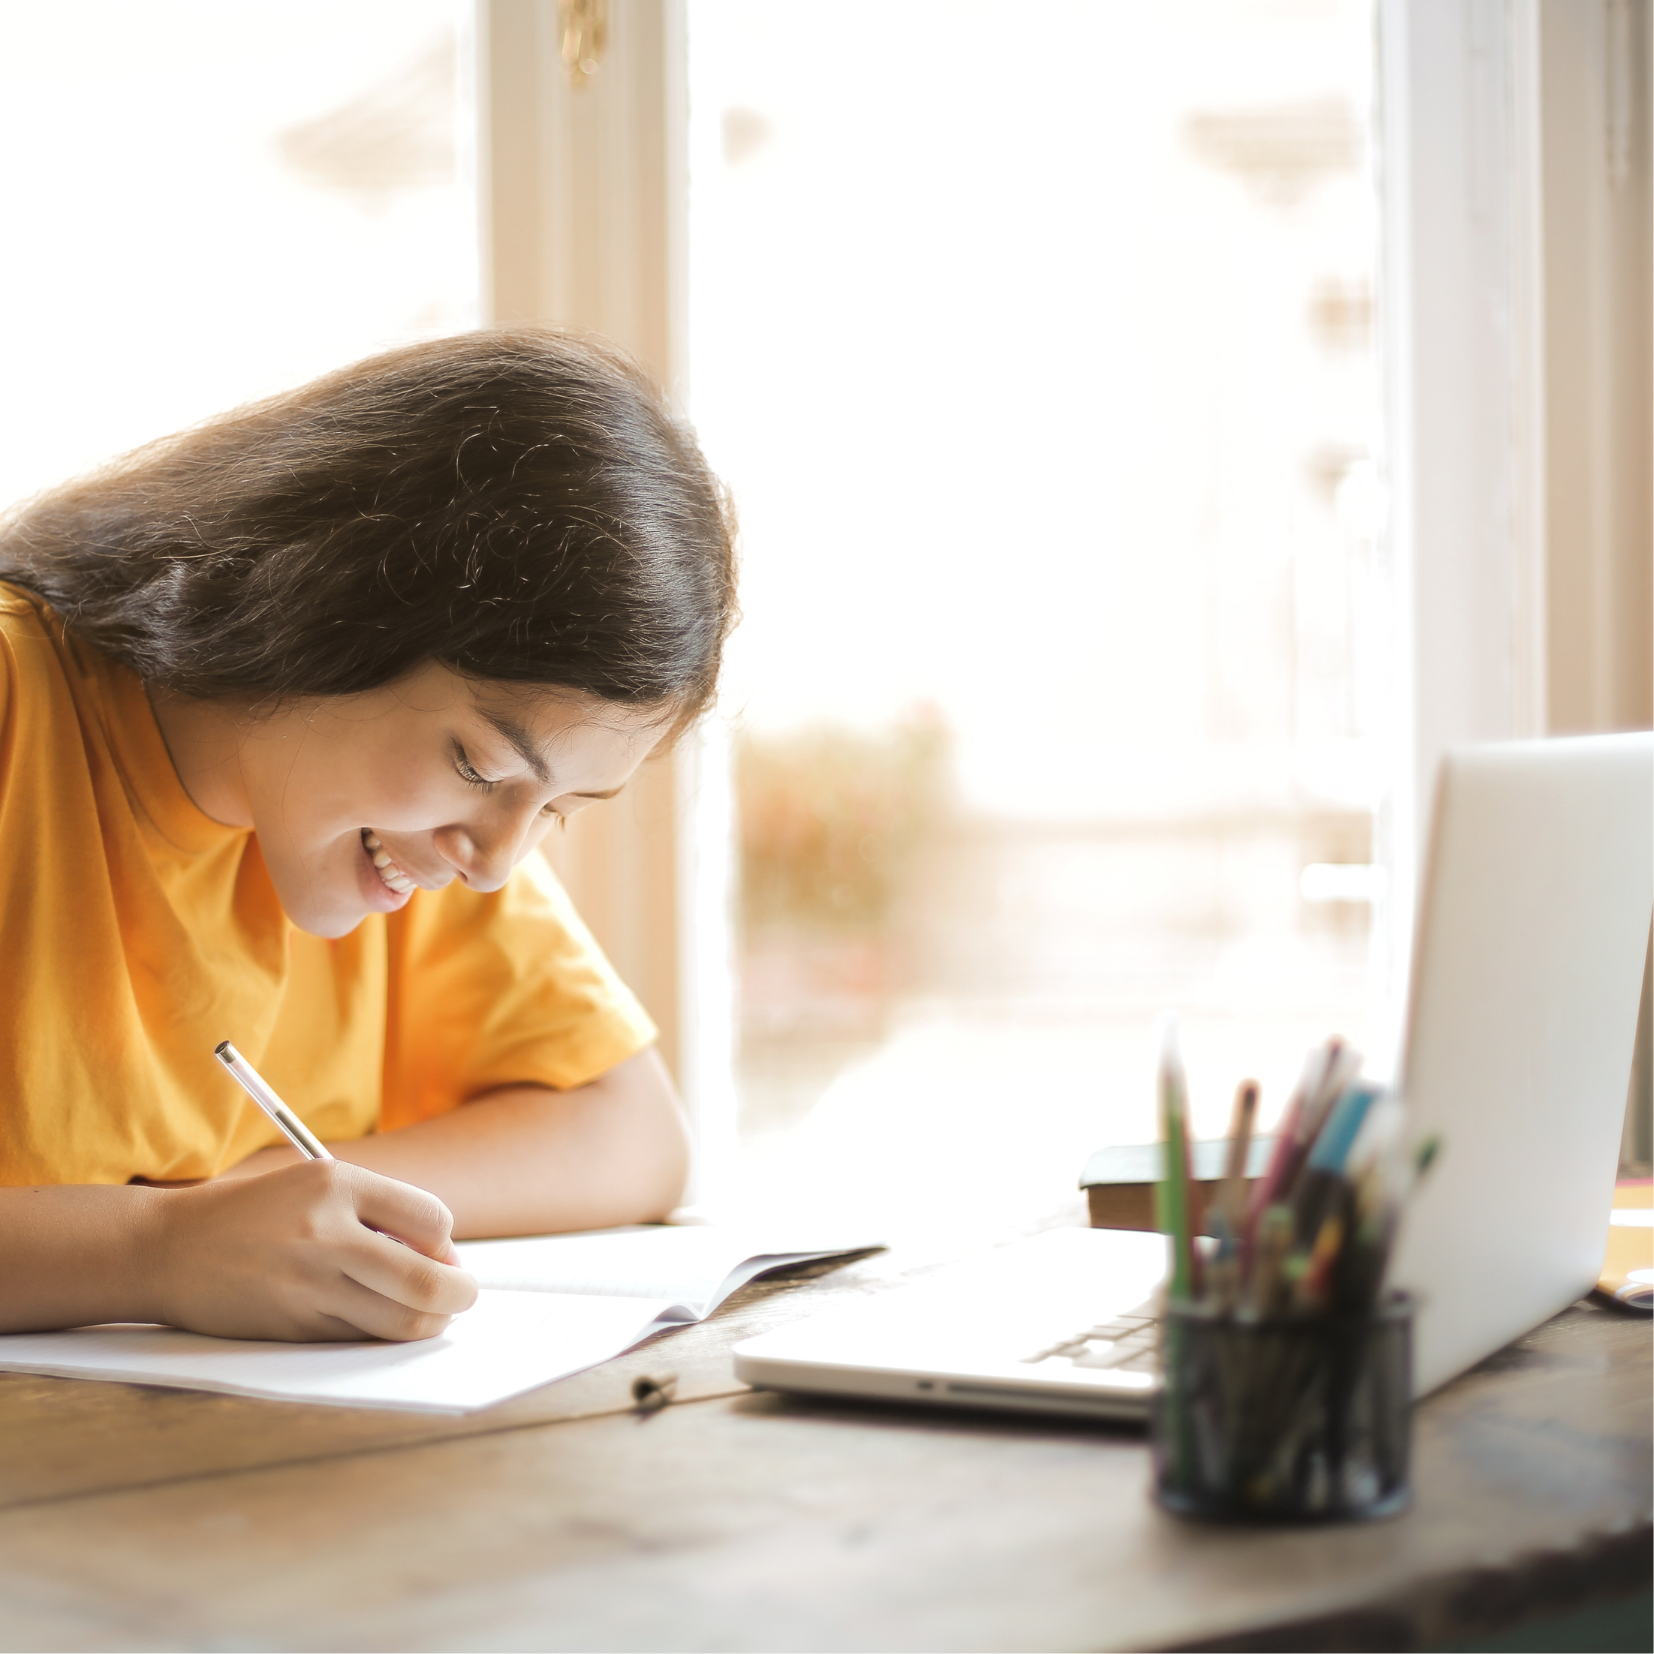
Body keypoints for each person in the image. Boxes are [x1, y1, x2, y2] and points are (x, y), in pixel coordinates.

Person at [0, 329, 736, 1345]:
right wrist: (152, 1246)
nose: (494, 864)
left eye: (556, 807)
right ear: (320, 607)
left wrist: (267, 1205)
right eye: (480, 763)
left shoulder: (401, 837)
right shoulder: (18, 707)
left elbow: (633, 1135)